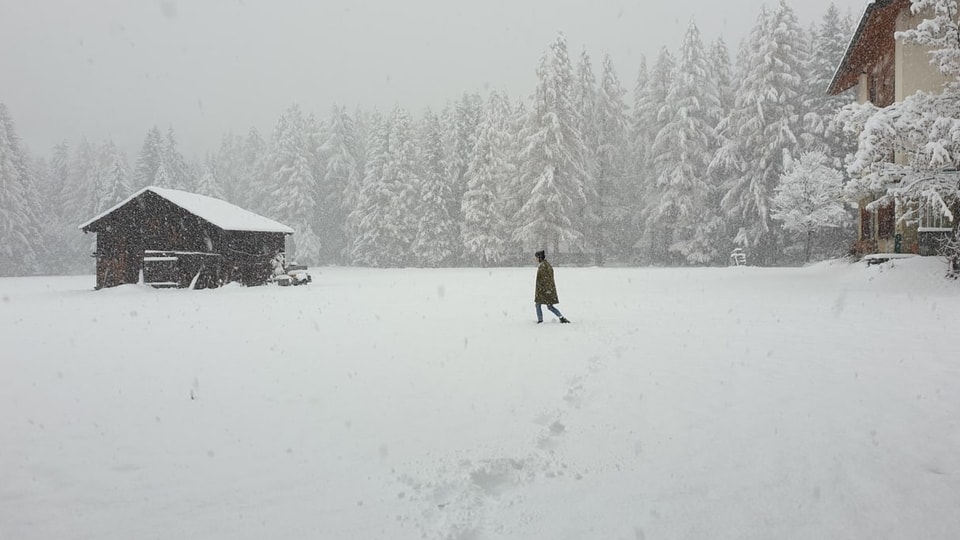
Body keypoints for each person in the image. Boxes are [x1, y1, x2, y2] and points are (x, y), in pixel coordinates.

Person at [534, 250, 570, 324]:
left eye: (537, 257)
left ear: (540, 257)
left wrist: (547, 289)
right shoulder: (544, 265)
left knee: (539, 304)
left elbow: (547, 279)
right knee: (548, 306)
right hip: (545, 289)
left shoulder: (544, 266)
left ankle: (540, 320)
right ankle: (561, 317)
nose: (536, 259)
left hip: (544, 290)